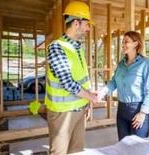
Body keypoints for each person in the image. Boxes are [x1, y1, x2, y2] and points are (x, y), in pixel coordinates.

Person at [45, 1, 97, 154]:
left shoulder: (77, 48)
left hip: (79, 109)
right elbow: (68, 83)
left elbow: (82, 78)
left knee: (77, 151)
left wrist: (87, 102)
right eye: (87, 24)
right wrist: (91, 97)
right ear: (76, 23)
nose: (88, 28)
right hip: (62, 113)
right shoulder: (56, 47)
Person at [98, 31, 149, 140]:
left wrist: (143, 113)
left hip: (138, 110)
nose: (123, 44)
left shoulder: (145, 63)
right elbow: (114, 82)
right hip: (122, 111)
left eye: (126, 42)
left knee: (138, 149)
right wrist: (102, 92)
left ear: (135, 44)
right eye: (122, 42)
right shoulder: (121, 64)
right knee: (123, 147)